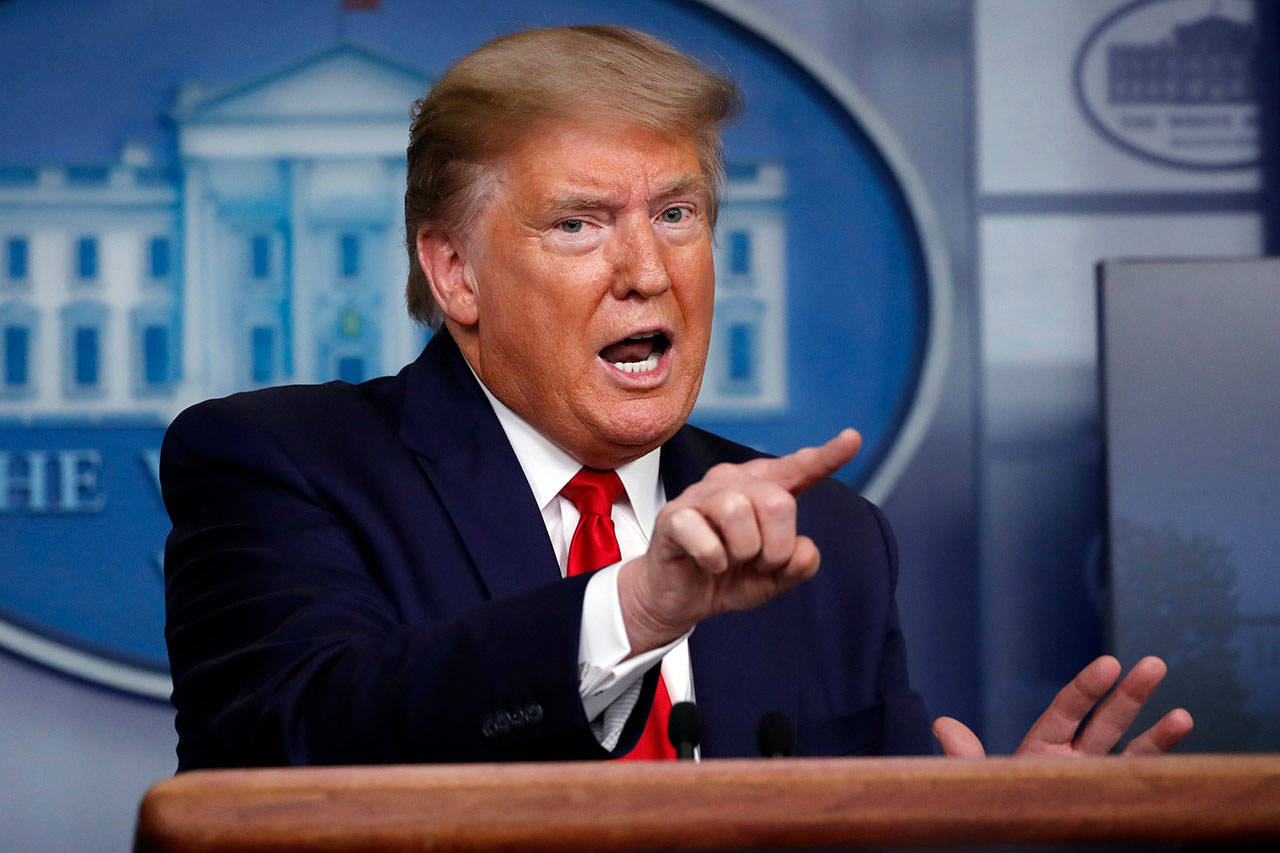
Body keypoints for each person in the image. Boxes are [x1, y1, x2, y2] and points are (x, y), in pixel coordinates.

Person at [160, 25, 1191, 770]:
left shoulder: (824, 540)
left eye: (676, 213)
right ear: (456, 273)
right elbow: (286, 745)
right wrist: (635, 607)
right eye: (578, 223)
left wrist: (992, 832)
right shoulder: (281, 463)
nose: (646, 271)